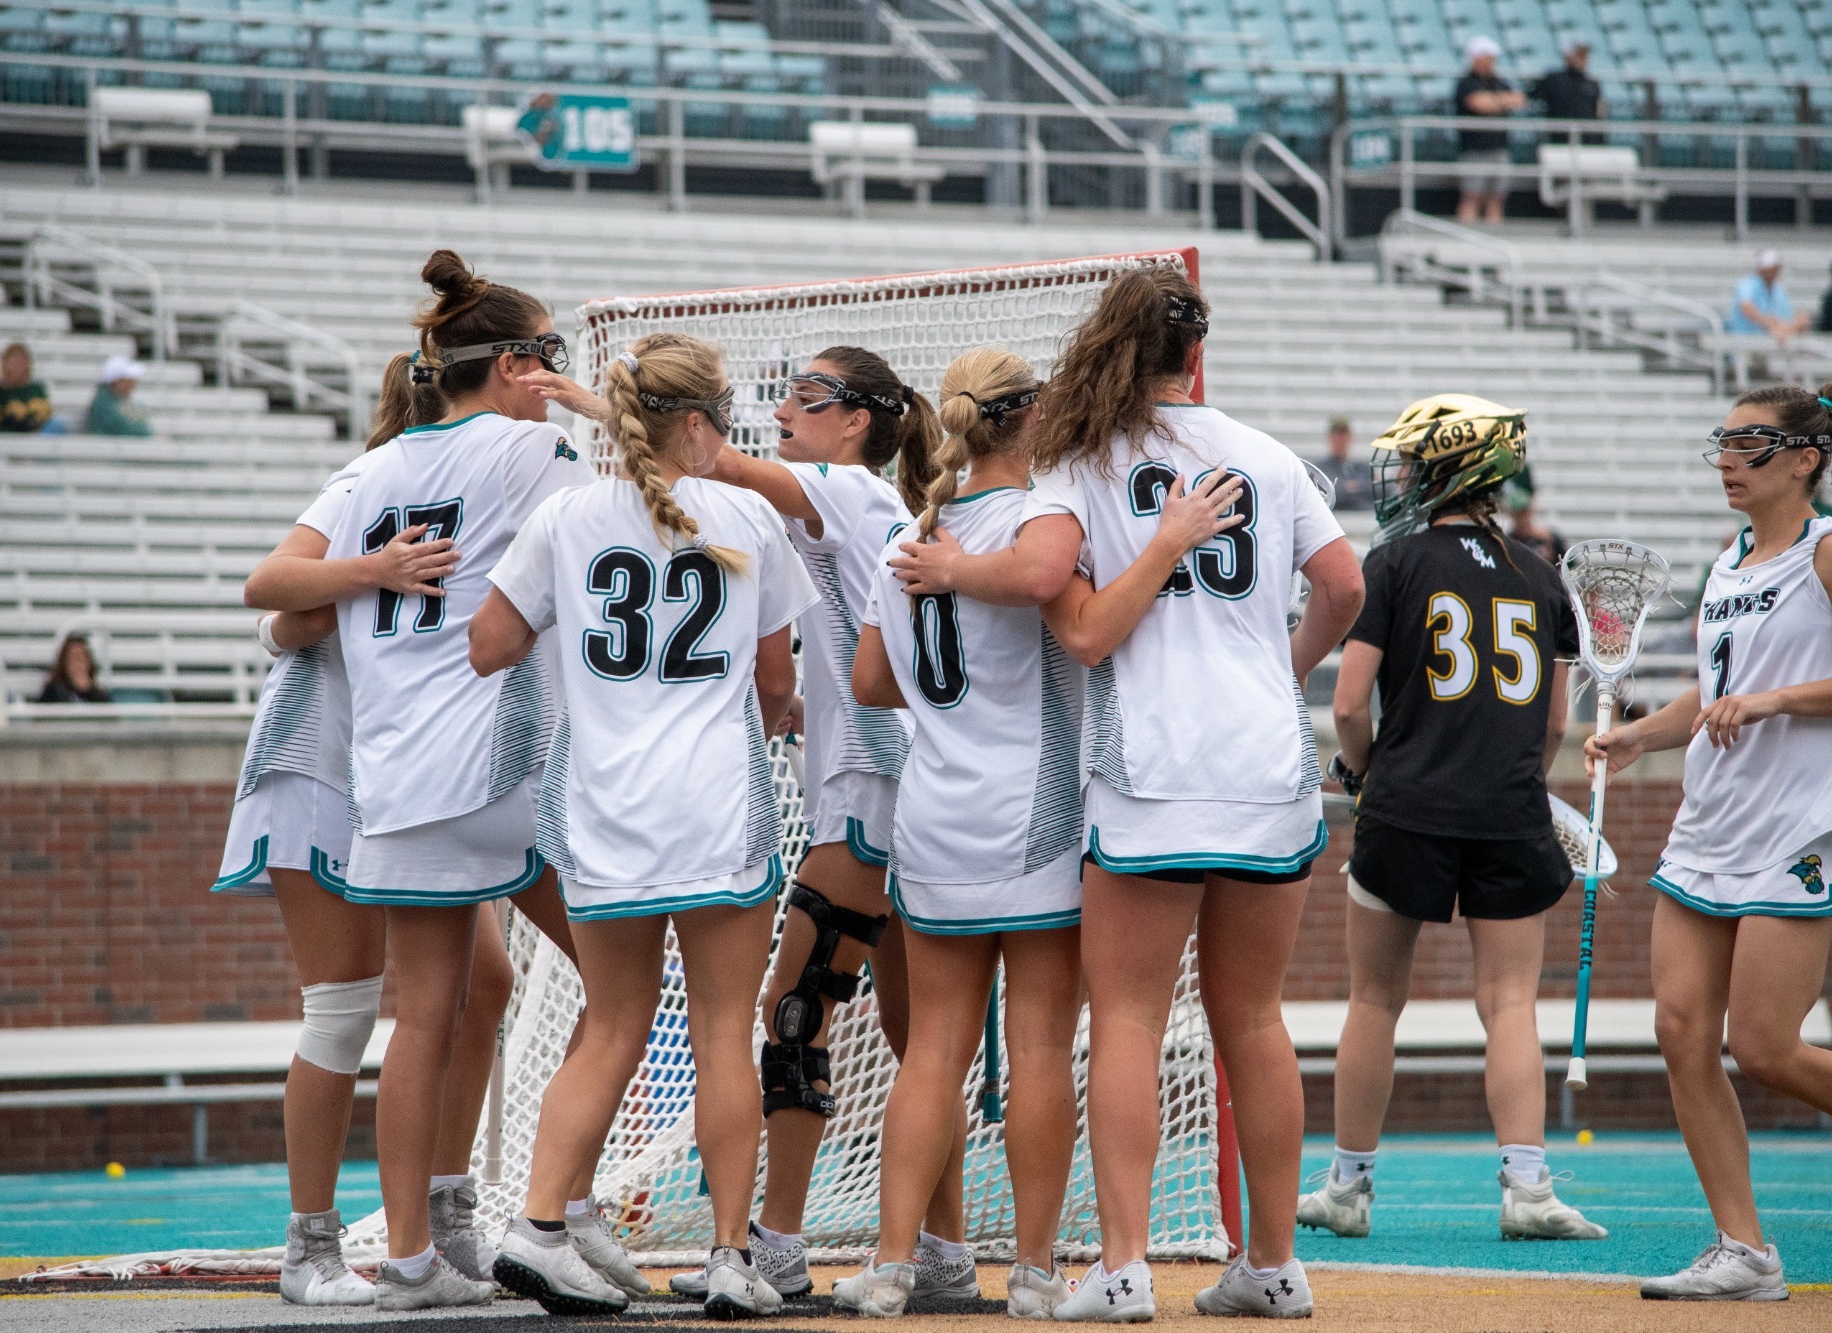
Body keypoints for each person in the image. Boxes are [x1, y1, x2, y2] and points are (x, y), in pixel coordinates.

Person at [890, 266, 1364, 1321]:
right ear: (1194, 354)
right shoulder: (1267, 453)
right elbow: (1343, 588)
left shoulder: (1074, 461)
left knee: (1131, 1022)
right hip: (1262, 763)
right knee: (1255, 1019)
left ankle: (1122, 1265)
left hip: (1150, 768)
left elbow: (1085, 629)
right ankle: (1274, 1264)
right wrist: (1279, 668)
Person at [245, 252, 594, 1311]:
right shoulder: (519, 452)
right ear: (519, 363)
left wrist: (357, 582)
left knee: (467, 993)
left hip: (404, 762)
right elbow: (276, 603)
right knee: (359, 1009)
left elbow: (281, 604)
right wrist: (372, 575)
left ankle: (436, 1226)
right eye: (550, 355)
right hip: (356, 765)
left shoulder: (383, 470)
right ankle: (353, 1240)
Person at [475, 332, 815, 1318]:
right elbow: (775, 683)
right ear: (700, 422)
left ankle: (538, 1224)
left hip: (601, 807)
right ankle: (724, 1256)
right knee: (719, 1032)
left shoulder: (567, 515)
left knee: (612, 1024)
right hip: (715, 804)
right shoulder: (746, 511)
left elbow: (488, 646)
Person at [1587, 382, 1832, 1301]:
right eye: (1722, 443)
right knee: (1680, 1028)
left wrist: (1778, 701)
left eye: (1751, 444)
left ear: (1806, 457)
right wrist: (1643, 733)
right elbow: (1715, 689)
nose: (1728, 460)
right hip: (1710, 823)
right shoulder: (1730, 561)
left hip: (1795, 824)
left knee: (1769, 1045)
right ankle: (1744, 1251)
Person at [683, 346, 974, 1304]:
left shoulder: (846, 491)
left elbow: (711, 459)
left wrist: (626, 407)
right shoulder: (864, 508)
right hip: (887, 777)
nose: (779, 417)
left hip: (872, 791)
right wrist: (811, 699)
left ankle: (781, 1241)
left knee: (796, 1003)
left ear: (855, 420)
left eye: (802, 401)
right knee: (910, 1029)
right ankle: (944, 1248)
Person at [1307, 394, 1605, 1247]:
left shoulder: (1395, 563)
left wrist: (1360, 775)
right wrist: (1513, 782)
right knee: (1511, 1001)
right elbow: (1554, 724)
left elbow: (1353, 702)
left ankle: (1350, 1186)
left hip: (1405, 804)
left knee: (1374, 998)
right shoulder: (1541, 575)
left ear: (1451, 466)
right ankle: (1527, 1184)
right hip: (1509, 808)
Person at [1454, 37, 1525, 226]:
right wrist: (1502, 102)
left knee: (1496, 197)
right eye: (1487, 57)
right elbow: (1476, 103)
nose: (1491, 62)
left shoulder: (1499, 82)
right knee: (1472, 196)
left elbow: (1518, 100)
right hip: (1474, 150)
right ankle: (1465, 237)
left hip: (1499, 148)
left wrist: (1493, 101)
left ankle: (1494, 235)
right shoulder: (1466, 82)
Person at [1529, 37, 1605, 141]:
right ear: (1568, 56)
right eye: (1579, 55)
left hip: (1587, 142)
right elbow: (1530, 98)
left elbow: (1598, 113)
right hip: (1558, 141)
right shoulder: (1553, 79)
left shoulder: (1592, 84)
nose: (1583, 59)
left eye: (1585, 55)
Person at [1726, 250, 1809, 344]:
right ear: (1760, 269)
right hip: (1746, 343)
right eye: (1770, 268)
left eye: (1775, 268)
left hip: (1769, 345)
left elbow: (1785, 317)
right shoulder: (1747, 284)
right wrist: (1771, 325)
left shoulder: (1779, 290)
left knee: (1803, 319)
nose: (1773, 271)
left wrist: (1786, 328)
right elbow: (1746, 307)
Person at [0, 343, 58, 433]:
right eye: (14, 362)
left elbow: (45, 413)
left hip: (36, 434)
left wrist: (30, 422)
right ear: (5, 364)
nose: (17, 366)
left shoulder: (37, 389)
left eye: (21, 362)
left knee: (57, 424)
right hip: (7, 437)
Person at [1500, 465, 1566, 565]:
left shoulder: (1549, 538)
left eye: (1524, 511)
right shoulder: (1507, 543)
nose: (1521, 517)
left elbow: (1570, 568)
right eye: (1517, 512)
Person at [86, 354, 153, 436]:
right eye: (129, 380)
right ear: (117, 381)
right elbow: (122, 427)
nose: (133, 385)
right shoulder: (103, 402)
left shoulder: (122, 400)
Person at [36, 634, 110, 703]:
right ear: (64, 662)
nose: (78, 663)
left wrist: (88, 690)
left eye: (82, 657)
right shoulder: (53, 691)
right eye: (74, 657)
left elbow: (108, 713)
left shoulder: (97, 694)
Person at [1323, 416, 1373, 511]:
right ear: (1330, 438)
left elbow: (1377, 489)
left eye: (1343, 436)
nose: (1340, 440)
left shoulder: (1361, 467)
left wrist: (1349, 488)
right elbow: (1329, 494)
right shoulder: (1321, 468)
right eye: (1336, 436)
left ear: (1350, 437)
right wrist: (1357, 488)